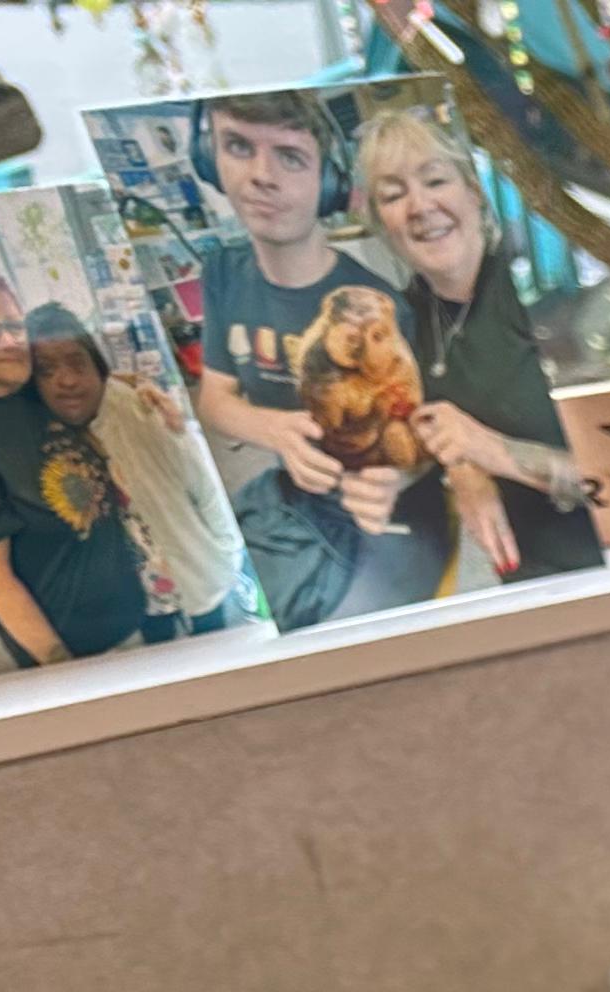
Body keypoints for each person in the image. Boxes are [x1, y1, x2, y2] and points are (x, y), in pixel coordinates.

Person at [183, 88, 441, 625]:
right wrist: (274, 429)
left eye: (290, 156)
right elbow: (215, 399)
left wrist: (398, 477)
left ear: (329, 180)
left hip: (376, 514)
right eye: (237, 147)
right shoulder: (223, 273)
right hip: (290, 501)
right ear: (211, 160)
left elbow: (427, 435)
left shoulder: (380, 307)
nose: (261, 175)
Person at [348, 106, 604, 587]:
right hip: (531, 590)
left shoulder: (546, 296)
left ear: (475, 191)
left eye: (436, 181)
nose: (420, 206)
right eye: (394, 194)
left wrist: (491, 451)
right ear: (380, 222)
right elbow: (421, 437)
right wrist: (460, 467)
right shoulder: (399, 325)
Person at [0, 262, 155, 668]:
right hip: (75, 651)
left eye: (14, 325)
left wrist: (144, 392)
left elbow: (88, 380)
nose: (6, 341)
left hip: (139, 616)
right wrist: (59, 664)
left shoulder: (26, 384)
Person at [24, 306, 249, 638]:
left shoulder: (140, 411)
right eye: (47, 370)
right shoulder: (50, 433)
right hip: (137, 590)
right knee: (159, 651)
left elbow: (202, 483)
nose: (66, 379)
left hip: (192, 568)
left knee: (214, 645)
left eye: (76, 363)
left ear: (95, 363)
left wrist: (228, 552)